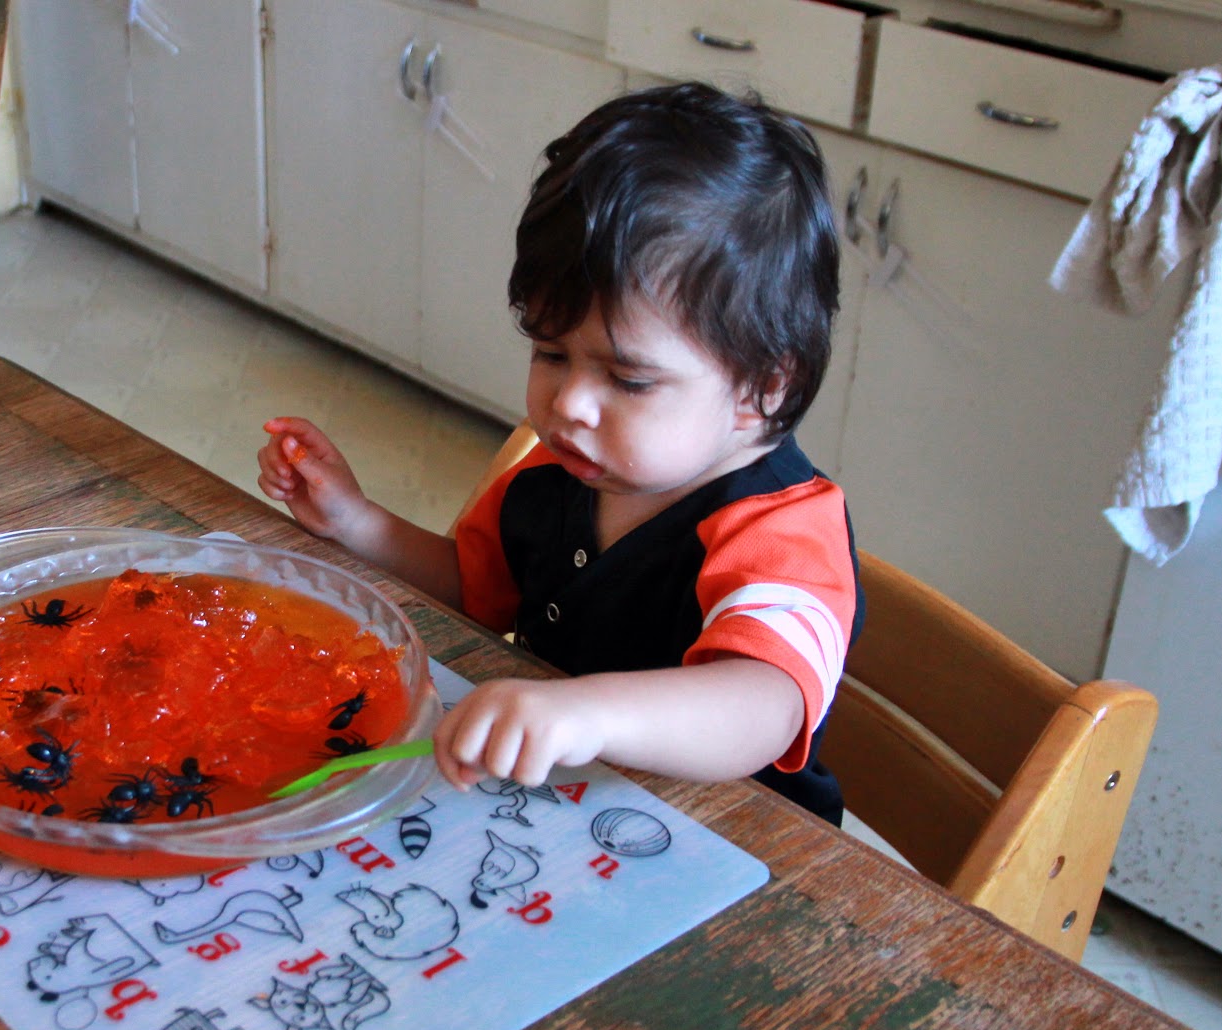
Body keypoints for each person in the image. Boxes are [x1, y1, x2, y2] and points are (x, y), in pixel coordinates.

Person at [256, 82, 863, 824]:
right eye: (550, 353)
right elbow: (475, 588)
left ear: (764, 387)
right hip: (571, 812)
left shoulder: (784, 534)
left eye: (628, 379)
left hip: (740, 846)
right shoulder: (560, 473)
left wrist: (586, 714)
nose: (569, 403)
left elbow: (760, 707)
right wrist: (358, 522)